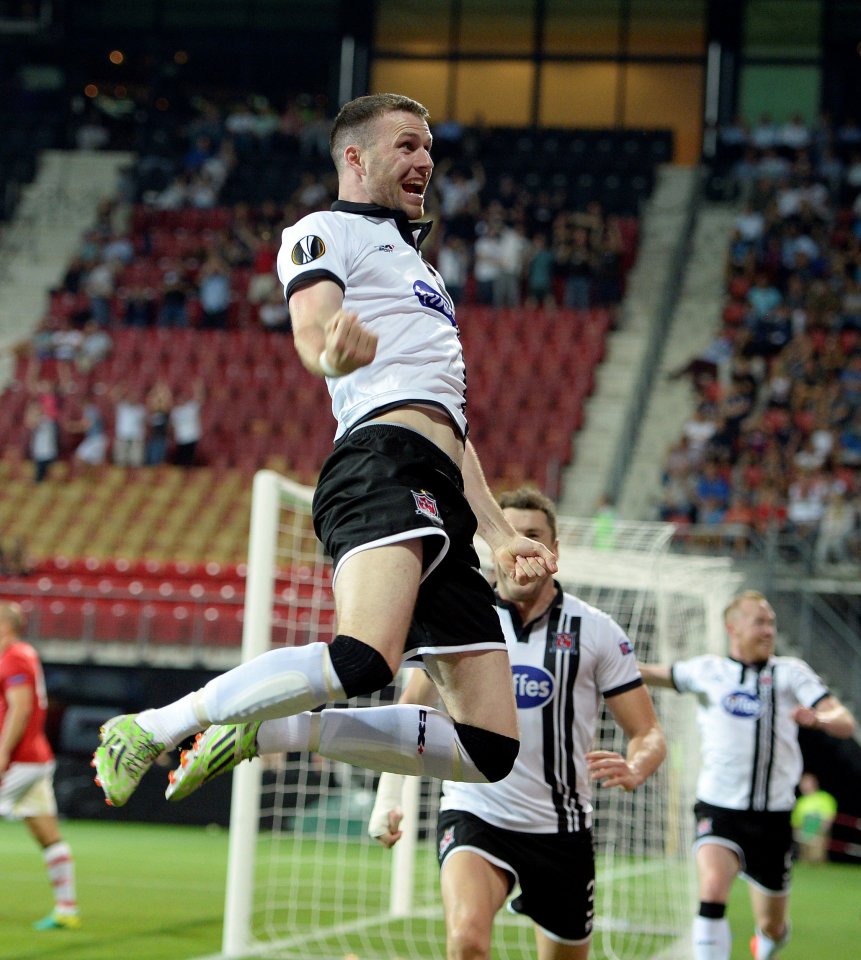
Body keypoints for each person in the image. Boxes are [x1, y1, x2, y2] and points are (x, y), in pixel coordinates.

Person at [92, 92, 556, 810]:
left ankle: (269, 734)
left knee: (489, 748)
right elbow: (312, 328)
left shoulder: (424, 274)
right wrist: (329, 354)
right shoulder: (320, 231)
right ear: (354, 156)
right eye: (406, 145)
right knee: (365, 657)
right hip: (379, 464)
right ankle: (152, 727)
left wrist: (496, 534)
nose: (424, 160)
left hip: (438, 481)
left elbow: (449, 426)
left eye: (427, 147)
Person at [368, 487, 666, 960]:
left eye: (535, 536)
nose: (523, 547)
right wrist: (389, 797)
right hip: (476, 812)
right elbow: (412, 712)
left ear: (555, 550)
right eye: (512, 535)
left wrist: (637, 765)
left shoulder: (597, 630)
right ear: (493, 544)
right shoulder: (458, 622)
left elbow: (647, 732)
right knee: (466, 941)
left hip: (561, 828)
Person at [639, 590, 856, 960]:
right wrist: (603, 659)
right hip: (718, 808)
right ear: (732, 628)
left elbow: (845, 722)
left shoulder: (790, 673)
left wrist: (819, 719)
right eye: (759, 621)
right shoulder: (707, 671)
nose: (769, 629)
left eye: (771, 622)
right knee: (712, 886)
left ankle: (767, 944)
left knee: (773, 925)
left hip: (772, 819)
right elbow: (654, 674)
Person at [0, 603, 81, 930]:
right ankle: (67, 909)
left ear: (5, 626)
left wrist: (3, 752)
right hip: (37, 758)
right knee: (48, 835)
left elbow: (20, 709)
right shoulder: (25, 654)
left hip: (19, 759)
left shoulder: (14, 657)